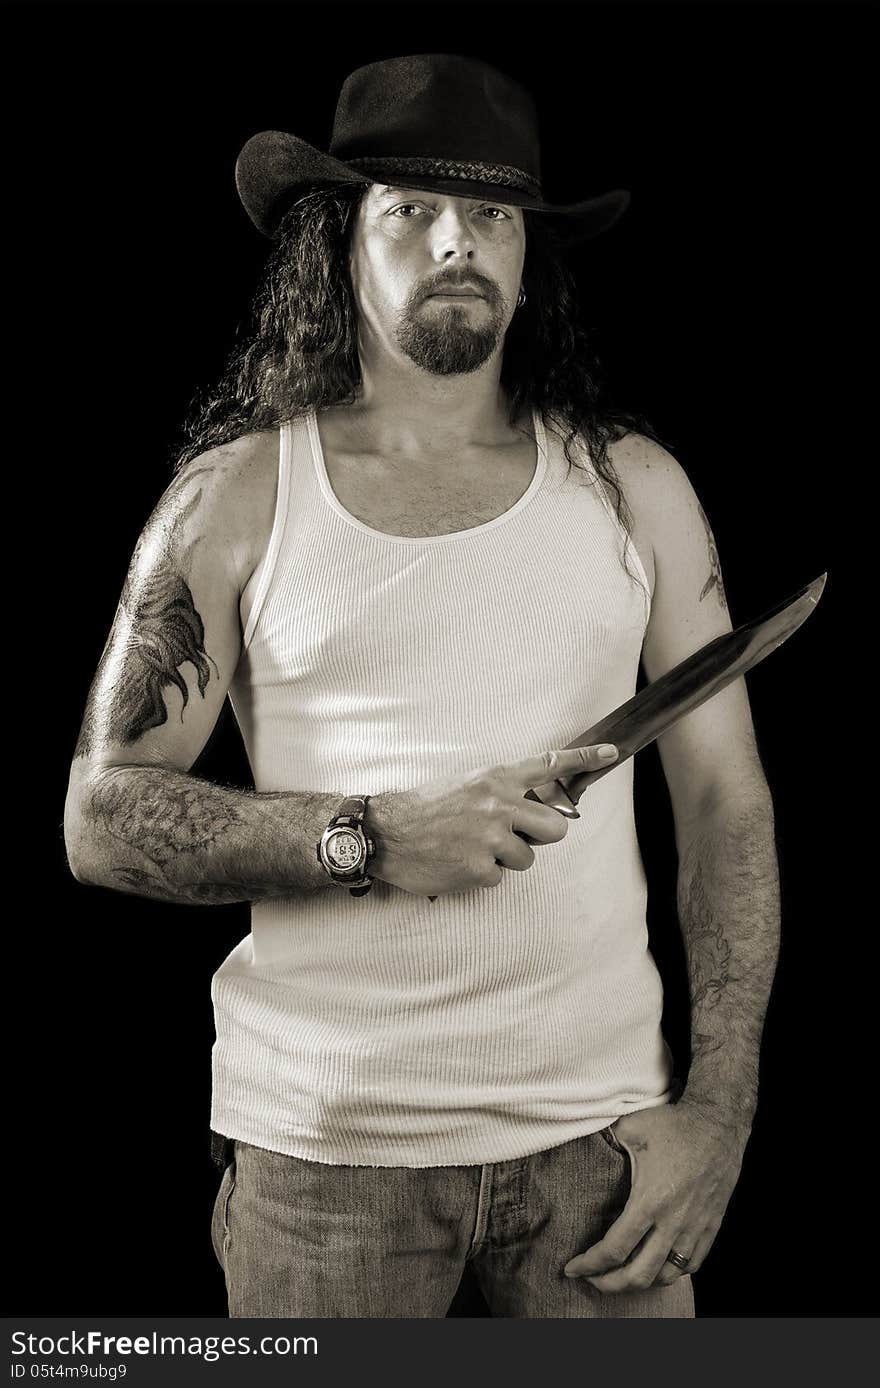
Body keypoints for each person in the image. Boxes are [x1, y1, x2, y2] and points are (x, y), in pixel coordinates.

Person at [63, 54, 780, 1319]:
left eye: (492, 215)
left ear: (526, 253)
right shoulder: (233, 499)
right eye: (410, 210)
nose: (458, 242)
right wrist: (371, 838)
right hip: (322, 1168)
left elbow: (727, 808)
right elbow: (102, 818)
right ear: (341, 243)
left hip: (602, 1160)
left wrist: (717, 1110)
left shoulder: (637, 490)